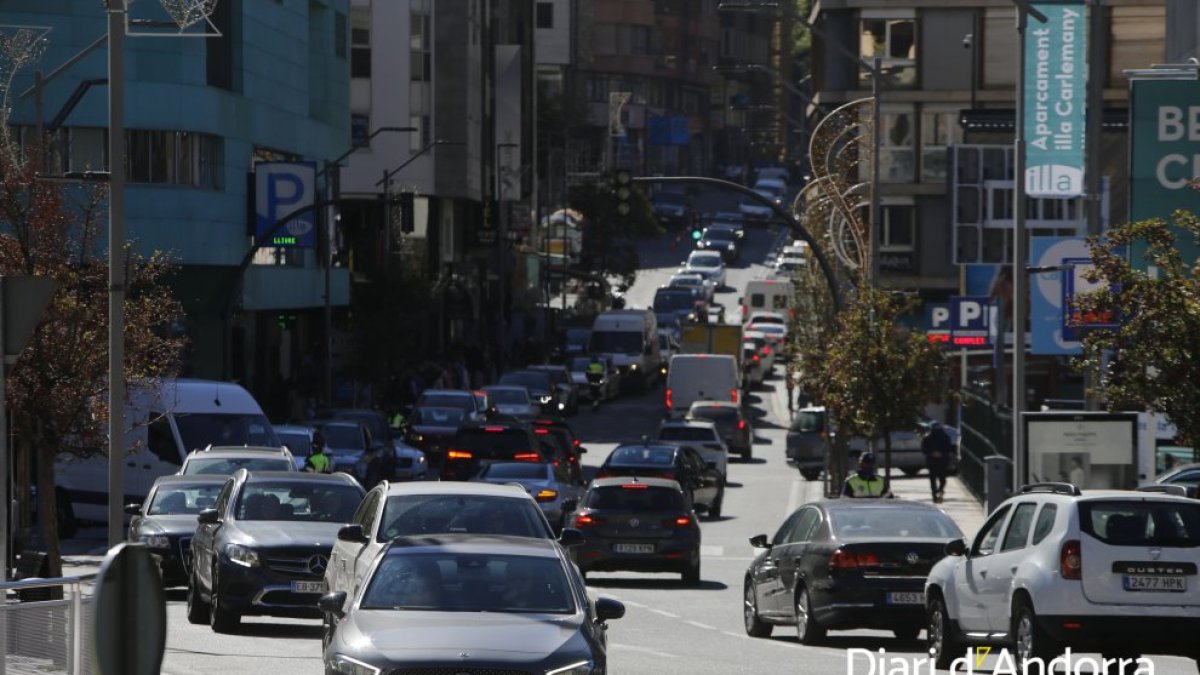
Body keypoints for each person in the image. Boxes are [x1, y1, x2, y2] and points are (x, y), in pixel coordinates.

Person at [922, 422, 953, 503]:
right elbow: (950, 449)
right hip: (940, 460)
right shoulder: (945, 437)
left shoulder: (928, 437)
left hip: (934, 461)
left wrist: (933, 453)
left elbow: (924, 450)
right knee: (941, 478)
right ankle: (938, 491)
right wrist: (940, 454)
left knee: (934, 478)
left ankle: (936, 493)